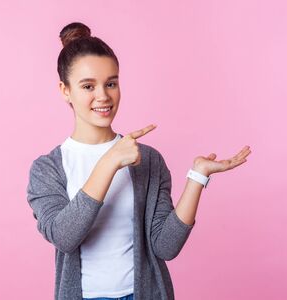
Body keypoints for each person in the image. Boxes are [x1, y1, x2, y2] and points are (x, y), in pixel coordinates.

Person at [26, 21, 251, 300]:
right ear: (65, 90)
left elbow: (165, 246)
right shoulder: (47, 169)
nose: (103, 96)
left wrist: (197, 177)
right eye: (88, 86)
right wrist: (109, 162)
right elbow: (65, 237)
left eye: (111, 83)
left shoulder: (148, 160)